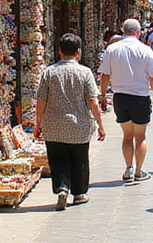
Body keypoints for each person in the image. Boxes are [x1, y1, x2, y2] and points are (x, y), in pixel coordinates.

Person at [33, 32, 106, 209]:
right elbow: (92, 101)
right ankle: (79, 193)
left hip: (54, 126)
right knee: (80, 159)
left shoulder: (49, 73)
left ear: (59, 51)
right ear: (78, 52)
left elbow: (41, 101)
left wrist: (38, 124)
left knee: (58, 159)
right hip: (79, 126)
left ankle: (62, 188)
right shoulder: (85, 72)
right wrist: (100, 125)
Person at [98, 18, 153, 183]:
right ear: (138, 33)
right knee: (140, 136)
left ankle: (128, 168)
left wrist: (102, 95)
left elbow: (105, 75)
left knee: (127, 136)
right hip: (140, 97)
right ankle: (139, 171)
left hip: (120, 97)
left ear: (122, 30)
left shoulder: (112, 49)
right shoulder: (145, 49)